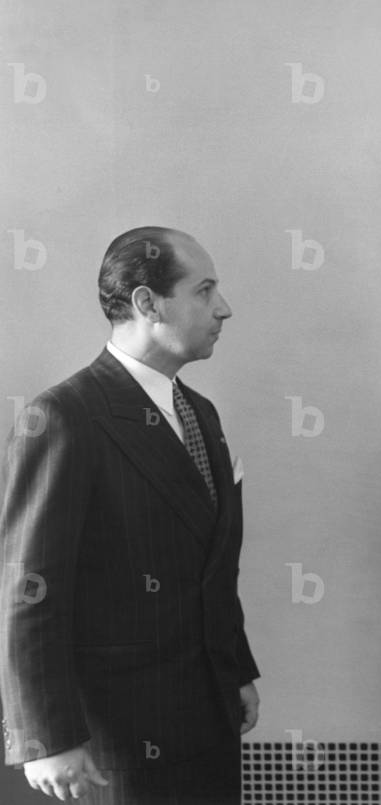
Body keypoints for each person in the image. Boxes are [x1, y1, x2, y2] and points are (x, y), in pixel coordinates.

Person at [0, 227, 260, 804]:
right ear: (147, 303)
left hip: (209, 715)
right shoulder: (64, 417)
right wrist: (45, 737)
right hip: (120, 735)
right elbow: (27, 593)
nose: (224, 308)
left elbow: (212, 564)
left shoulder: (200, 412)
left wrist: (236, 670)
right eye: (204, 290)